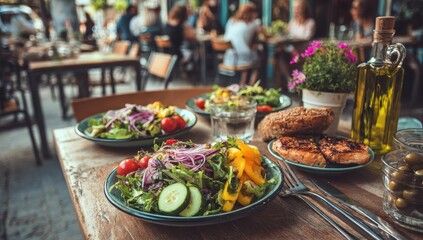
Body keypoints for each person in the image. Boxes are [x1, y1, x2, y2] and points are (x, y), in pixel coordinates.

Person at [223, 2, 261, 86]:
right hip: (241, 59)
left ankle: (243, 84)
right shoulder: (253, 24)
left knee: (249, 54)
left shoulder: (231, 21)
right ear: (251, 13)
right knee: (257, 61)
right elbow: (258, 38)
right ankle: (251, 86)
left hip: (228, 57)